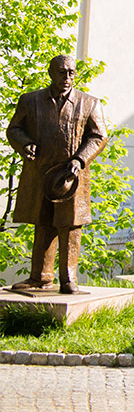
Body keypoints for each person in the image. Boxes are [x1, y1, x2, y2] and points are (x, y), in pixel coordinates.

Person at [6, 55, 107, 294]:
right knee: (42, 223)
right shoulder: (30, 101)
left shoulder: (89, 103)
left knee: (70, 225)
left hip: (71, 176)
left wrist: (80, 159)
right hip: (39, 173)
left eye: (71, 72)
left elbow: (99, 136)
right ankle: (40, 277)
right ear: (51, 73)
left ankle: (68, 278)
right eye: (62, 72)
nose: (67, 77)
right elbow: (14, 129)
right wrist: (25, 143)